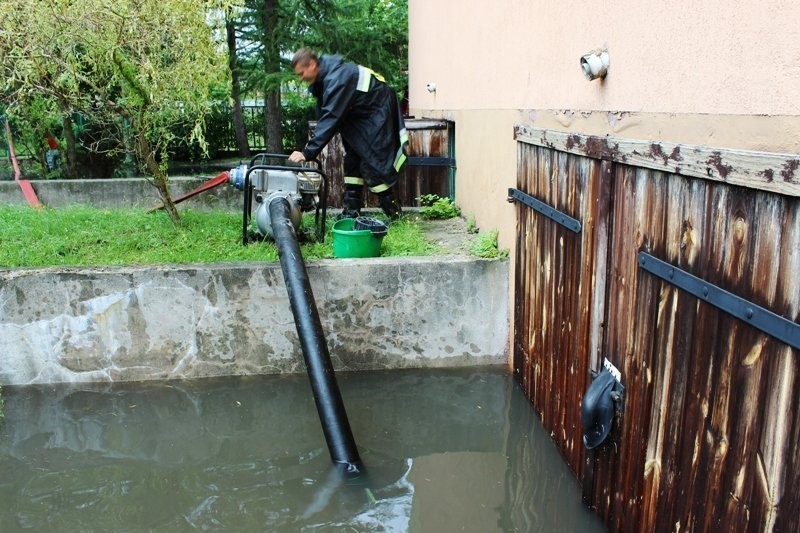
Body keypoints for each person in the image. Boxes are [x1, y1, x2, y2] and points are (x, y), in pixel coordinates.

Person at [288, 48, 408, 220]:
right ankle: (352, 211)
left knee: (372, 164)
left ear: (313, 64)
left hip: (378, 113)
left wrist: (307, 152)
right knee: (352, 160)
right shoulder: (325, 79)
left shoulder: (338, 79)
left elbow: (331, 117)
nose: (300, 78)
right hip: (360, 116)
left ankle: (394, 214)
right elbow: (325, 116)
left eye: (301, 73)